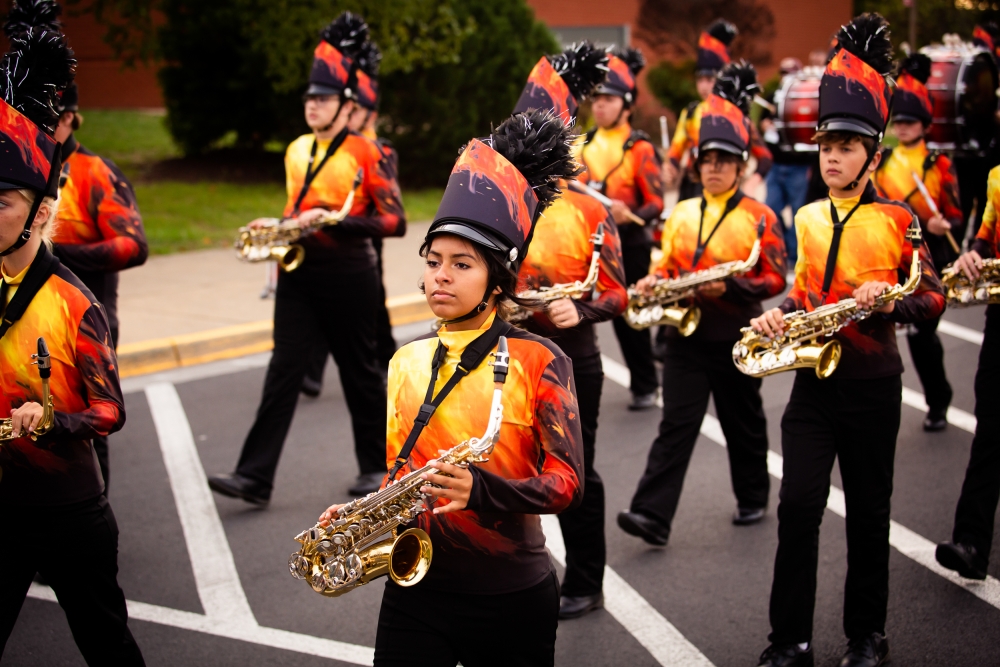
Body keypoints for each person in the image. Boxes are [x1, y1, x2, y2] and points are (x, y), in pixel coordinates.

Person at [319, 109, 584, 667]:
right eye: (434, 261)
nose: (440, 275)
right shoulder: (405, 361)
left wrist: (481, 490)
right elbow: (403, 473)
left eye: (462, 264)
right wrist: (361, 513)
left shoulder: (542, 360)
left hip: (511, 596)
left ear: (497, 281)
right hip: (416, 590)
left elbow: (567, 485)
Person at [750, 15, 945, 667]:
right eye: (826, 145)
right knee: (798, 505)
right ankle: (789, 640)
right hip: (814, 385)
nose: (831, 155)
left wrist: (889, 301)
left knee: (867, 512)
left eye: (846, 146)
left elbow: (934, 298)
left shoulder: (898, 219)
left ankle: (867, 635)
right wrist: (779, 316)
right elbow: (804, 292)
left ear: (873, 155)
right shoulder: (806, 217)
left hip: (872, 386)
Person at [208, 12, 406, 504]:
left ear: (346, 105)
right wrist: (277, 225)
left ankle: (375, 467)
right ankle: (254, 477)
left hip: (350, 275)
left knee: (360, 373)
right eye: (309, 99)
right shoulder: (296, 150)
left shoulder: (367, 153)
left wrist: (335, 221)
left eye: (322, 99)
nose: (312, 106)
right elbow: (296, 208)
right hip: (298, 275)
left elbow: (395, 221)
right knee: (283, 372)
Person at [0, 26, 145, 665]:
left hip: (69, 511)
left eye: (1, 202)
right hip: (4, 505)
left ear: (38, 213)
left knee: (107, 646)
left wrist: (52, 419)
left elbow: (111, 411)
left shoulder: (76, 304)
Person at [617, 61, 786, 547]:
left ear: (741, 165)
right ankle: (651, 513)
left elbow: (775, 276)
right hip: (685, 336)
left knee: (743, 422)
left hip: (735, 333)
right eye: (707, 159)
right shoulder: (683, 212)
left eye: (724, 160)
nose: (713, 167)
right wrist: (655, 279)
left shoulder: (759, 215)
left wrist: (730, 290)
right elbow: (668, 263)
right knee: (675, 425)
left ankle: (753, 496)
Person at [510, 42, 627, 619]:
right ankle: (512, 578)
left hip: (573, 359)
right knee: (506, 468)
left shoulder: (592, 209)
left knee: (575, 471)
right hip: (508, 357)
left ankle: (585, 580)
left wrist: (580, 311)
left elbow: (619, 292)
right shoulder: (500, 199)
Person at [301, 34, 397, 397]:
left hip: (365, 233)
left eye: (357, 111)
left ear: (369, 113)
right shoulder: (329, 145)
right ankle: (314, 369)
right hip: (332, 233)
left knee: (371, 301)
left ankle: (385, 360)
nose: (350, 116)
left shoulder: (378, 148)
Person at [873, 52, 961, 432]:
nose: (903, 126)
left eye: (910, 121)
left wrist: (943, 225)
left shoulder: (939, 163)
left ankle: (938, 401)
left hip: (929, 257)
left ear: (924, 122)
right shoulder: (884, 161)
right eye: (899, 120)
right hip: (893, 256)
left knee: (924, 337)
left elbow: (956, 216)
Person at [579, 46, 664, 410]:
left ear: (626, 105)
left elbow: (656, 203)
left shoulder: (639, 147)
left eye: (609, 99)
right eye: (596, 99)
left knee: (629, 317)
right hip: (594, 243)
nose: (600, 106)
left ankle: (646, 384)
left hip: (631, 244)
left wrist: (630, 213)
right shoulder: (583, 144)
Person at [935, 164, 1000, 581]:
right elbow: (986, 235)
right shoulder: (997, 177)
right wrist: (973, 254)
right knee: (991, 428)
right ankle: (971, 543)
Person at [666, 19, 739, 202]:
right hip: (692, 184)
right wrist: (670, 166)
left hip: (721, 182)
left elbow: (761, 156)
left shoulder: (733, 113)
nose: (704, 86)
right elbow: (677, 148)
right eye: (700, 80)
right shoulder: (691, 113)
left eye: (710, 80)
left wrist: (754, 179)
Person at [759, 57, 812, 265]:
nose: (785, 77)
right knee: (771, 208)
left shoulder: (804, 98)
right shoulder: (773, 97)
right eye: (783, 73)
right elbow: (761, 122)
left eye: (790, 73)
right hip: (776, 164)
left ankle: (793, 254)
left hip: (798, 165)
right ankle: (781, 248)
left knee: (799, 212)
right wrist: (765, 125)